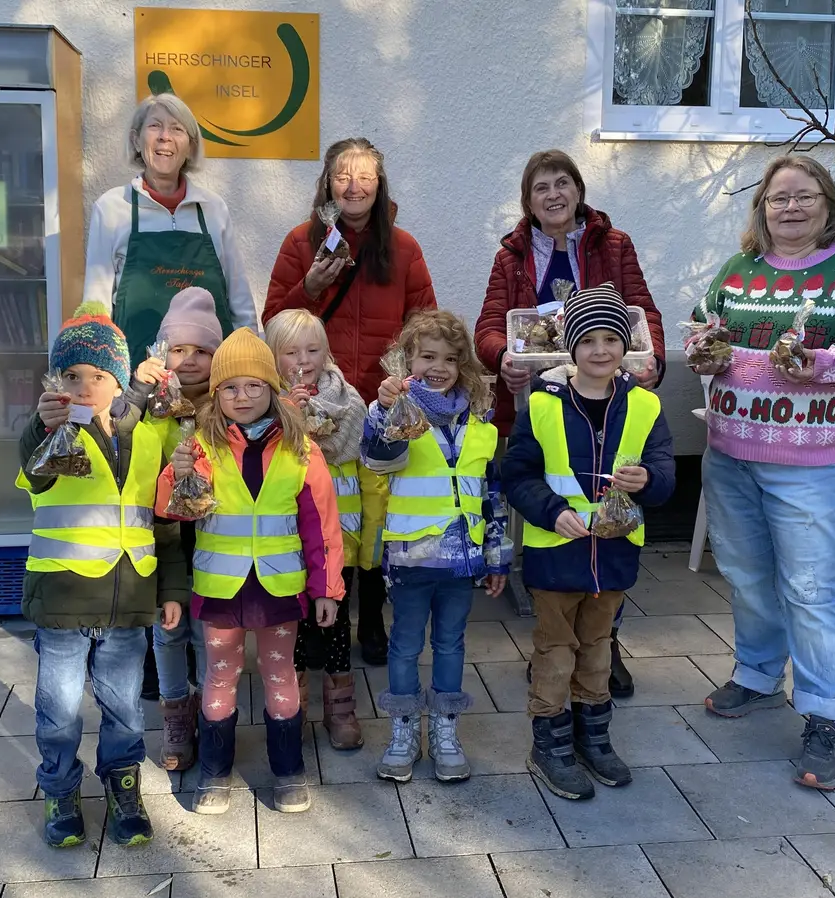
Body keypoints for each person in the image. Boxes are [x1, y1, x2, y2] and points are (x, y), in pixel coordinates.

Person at [692, 155, 835, 792]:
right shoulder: (738, 271)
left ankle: (822, 715)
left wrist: (825, 361)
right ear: (761, 207)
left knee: (811, 588)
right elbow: (709, 331)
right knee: (746, 572)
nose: (789, 208)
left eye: (803, 196)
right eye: (778, 198)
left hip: (808, 464)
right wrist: (703, 346)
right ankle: (757, 676)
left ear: (827, 204)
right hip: (730, 451)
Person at [474, 148, 669, 696]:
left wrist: (651, 357)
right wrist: (501, 357)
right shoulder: (512, 255)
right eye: (541, 187)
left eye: (563, 183)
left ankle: (605, 646)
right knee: (550, 512)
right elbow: (491, 326)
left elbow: (641, 311)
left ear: (579, 191)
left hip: (608, 398)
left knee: (611, 514)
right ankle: (552, 640)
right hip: (543, 401)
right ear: (527, 201)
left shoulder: (614, 244)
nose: (553, 195)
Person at [264, 137, 439, 667]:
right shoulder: (302, 242)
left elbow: (424, 319)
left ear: (380, 184)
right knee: (322, 512)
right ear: (327, 183)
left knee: (376, 514)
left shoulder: (403, 247)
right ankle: (323, 615)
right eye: (343, 175)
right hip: (325, 406)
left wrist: (406, 381)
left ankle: (371, 617)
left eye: (365, 175)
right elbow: (274, 321)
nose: (354, 185)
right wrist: (309, 286)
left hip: (383, 400)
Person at [157, 328, 344, 815]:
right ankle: (215, 775)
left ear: (272, 390)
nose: (243, 397)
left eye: (254, 386)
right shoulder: (201, 446)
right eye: (230, 388)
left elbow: (322, 525)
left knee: (280, 673)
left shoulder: (301, 449)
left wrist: (327, 588)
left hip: (281, 586)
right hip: (221, 588)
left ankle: (288, 771)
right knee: (220, 677)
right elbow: (172, 510)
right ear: (215, 395)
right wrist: (176, 475)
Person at [501, 286, 676, 801]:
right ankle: (550, 745)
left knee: (598, 650)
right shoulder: (541, 404)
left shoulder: (644, 405)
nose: (601, 350)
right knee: (555, 652)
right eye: (589, 340)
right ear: (570, 348)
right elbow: (518, 475)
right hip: (557, 555)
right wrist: (553, 513)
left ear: (625, 346)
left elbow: (665, 466)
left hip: (615, 556)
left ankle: (593, 738)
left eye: (611, 339)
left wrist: (650, 480)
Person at [16, 300, 168, 848]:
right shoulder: (53, 434)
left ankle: (123, 786)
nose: (83, 386)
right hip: (63, 598)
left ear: (119, 381)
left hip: (127, 599)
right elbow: (33, 474)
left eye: (97, 376)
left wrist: (168, 590)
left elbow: (163, 520)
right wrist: (41, 424)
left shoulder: (148, 438)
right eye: (71, 375)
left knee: (125, 706)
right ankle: (59, 789)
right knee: (58, 708)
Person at [362, 311, 510, 783]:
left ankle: (445, 730)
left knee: (450, 644)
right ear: (408, 359)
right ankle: (403, 732)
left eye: (450, 358)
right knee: (404, 646)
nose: (439, 366)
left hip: (461, 563)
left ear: (463, 364)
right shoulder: (395, 412)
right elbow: (378, 461)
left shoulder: (479, 418)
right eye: (427, 356)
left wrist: (497, 555)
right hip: (410, 559)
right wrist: (386, 412)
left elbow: (491, 492)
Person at [125, 286, 222, 772]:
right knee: (169, 629)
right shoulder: (152, 405)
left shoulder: (227, 404)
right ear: (162, 353)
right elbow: (118, 431)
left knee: (207, 630)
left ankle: (211, 711)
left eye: (201, 350)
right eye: (178, 349)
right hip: (164, 537)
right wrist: (138, 392)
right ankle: (175, 716)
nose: (188, 360)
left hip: (212, 535)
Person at [265, 308, 370, 751]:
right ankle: (294, 702)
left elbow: (355, 441)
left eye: (312, 349)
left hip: (335, 533)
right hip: (284, 533)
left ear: (327, 353)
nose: (303, 360)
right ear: (273, 358)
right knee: (293, 618)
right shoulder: (264, 401)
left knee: (335, 617)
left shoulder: (346, 398)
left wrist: (316, 421)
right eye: (291, 352)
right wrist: (288, 417)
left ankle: (340, 705)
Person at [84, 93, 257, 359]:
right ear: (136, 139)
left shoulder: (213, 209)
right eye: (155, 126)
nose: (165, 136)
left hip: (210, 380)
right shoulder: (111, 208)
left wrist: (248, 358)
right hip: (138, 375)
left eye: (177, 129)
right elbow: (96, 305)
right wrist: (100, 371)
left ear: (190, 146)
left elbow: (240, 303)